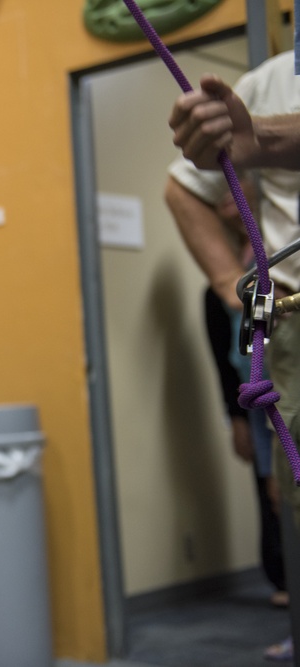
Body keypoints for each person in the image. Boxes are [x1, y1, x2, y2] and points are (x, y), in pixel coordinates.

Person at [168, 48, 300, 664]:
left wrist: (260, 139)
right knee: (284, 495)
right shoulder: (268, 80)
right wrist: (231, 287)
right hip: (289, 336)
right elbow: (229, 359)